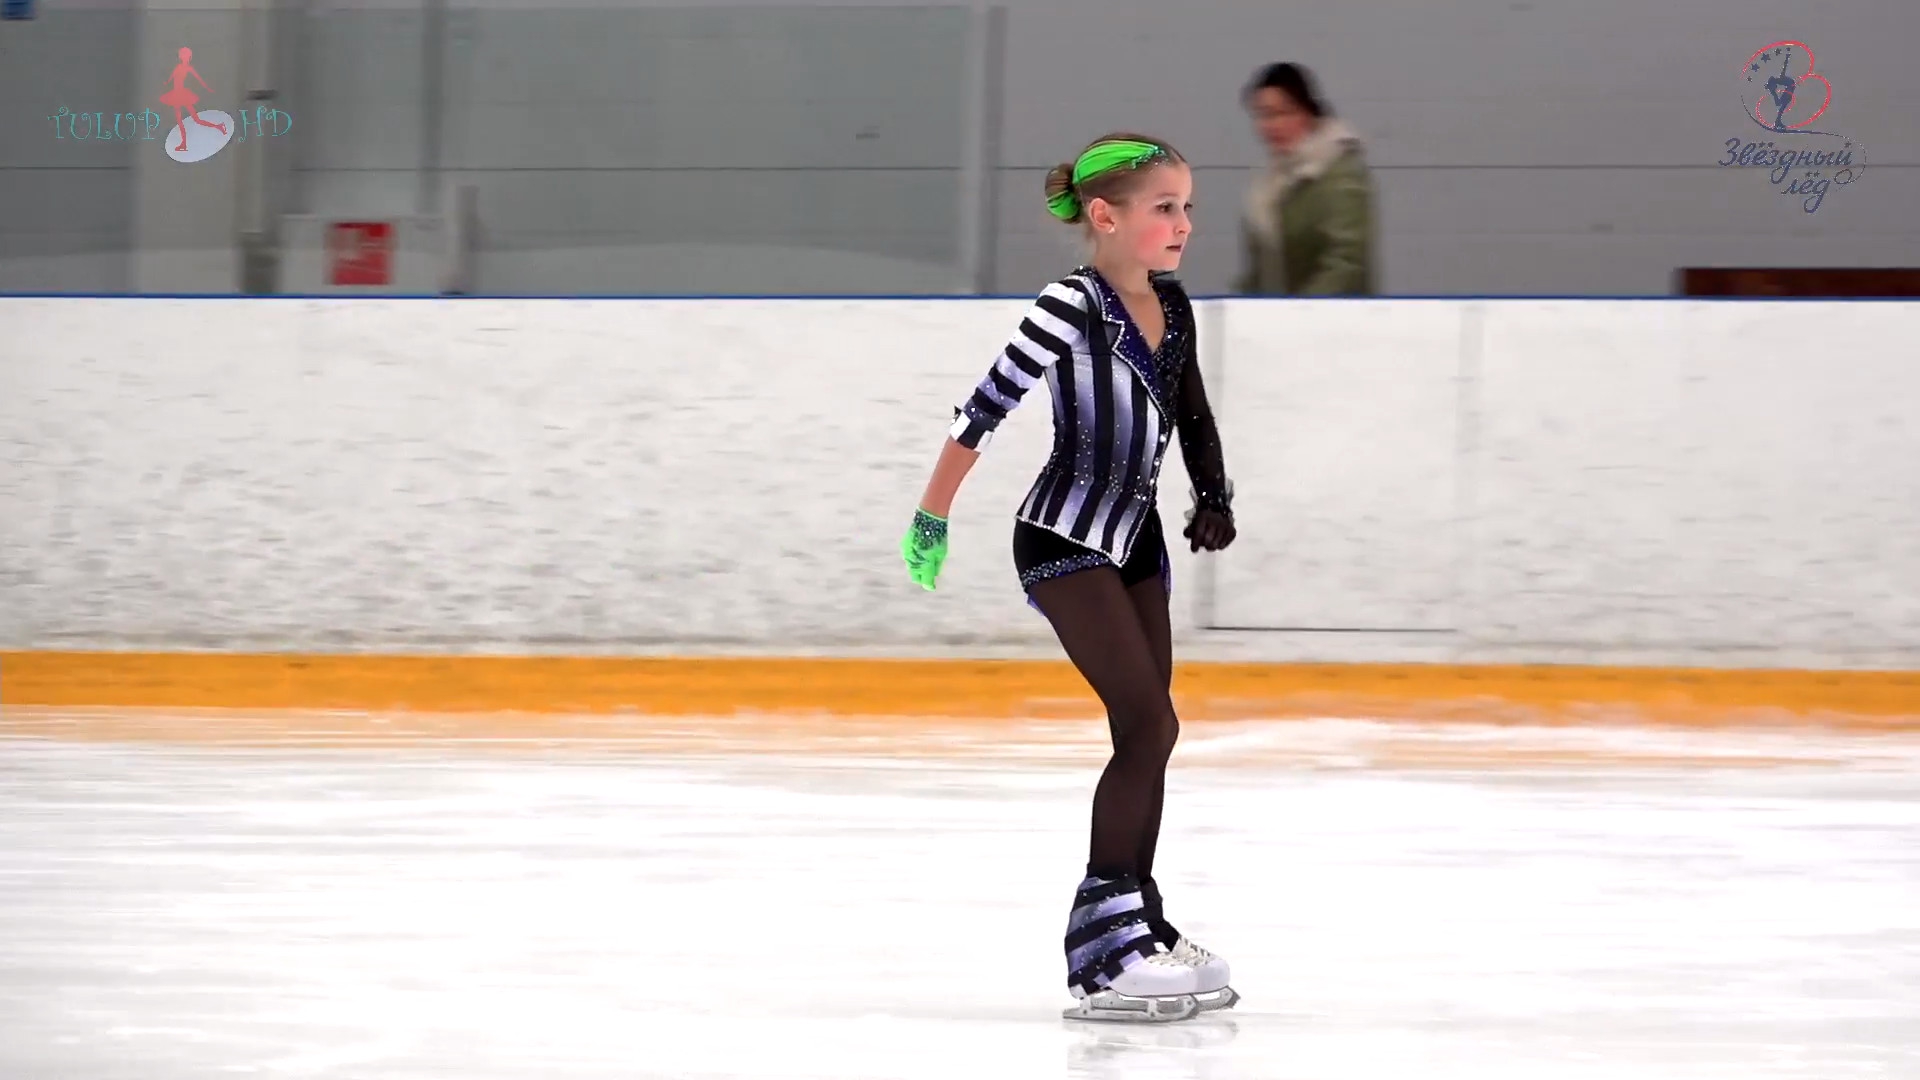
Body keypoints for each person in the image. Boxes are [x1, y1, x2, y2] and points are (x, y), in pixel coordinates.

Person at [898, 133, 1240, 1023]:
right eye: (1164, 208)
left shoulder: (1173, 305)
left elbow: (1193, 411)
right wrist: (933, 514)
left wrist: (1213, 496)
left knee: (1152, 733)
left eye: (1188, 207)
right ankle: (1102, 955)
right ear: (1105, 216)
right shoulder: (1070, 305)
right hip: (1062, 538)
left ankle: (1141, 924)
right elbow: (984, 409)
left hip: (1137, 542)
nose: (1184, 224)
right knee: (1147, 721)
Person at [1236, 62, 1376, 295]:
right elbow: (1259, 272)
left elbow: (1347, 262)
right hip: (1277, 314)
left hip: (1334, 315)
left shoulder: (1340, 175)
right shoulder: (1269, 186)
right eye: (1263, 115)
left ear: (1308, 113)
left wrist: (1300, 311)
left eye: (1282, 113)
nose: (1271, 125)